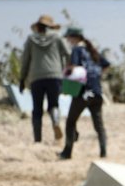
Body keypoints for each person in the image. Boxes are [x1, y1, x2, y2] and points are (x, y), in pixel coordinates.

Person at [58, 25, 110, 160]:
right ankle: (103, 152)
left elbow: (74, 68)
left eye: (69, 38)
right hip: (97, 92)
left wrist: (65, 75)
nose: (68, 41)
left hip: (83, 93)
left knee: (70, 122)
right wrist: (96, 76)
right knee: (98, 124)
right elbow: (106, 65)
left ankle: (67, 152)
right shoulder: (92, 50)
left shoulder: (76, 50)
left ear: (74, 38)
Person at [20, 14, 70, 143]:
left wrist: (22, 79)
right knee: (53, 104)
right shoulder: (57, 38)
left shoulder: (30, 39)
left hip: (36, 78)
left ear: (37, 27)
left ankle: (38, 139)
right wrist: (68, 71)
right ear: (51, 27)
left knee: (37, 108)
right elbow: (68, 54)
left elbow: (25, 60)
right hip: (55, 76)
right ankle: (56, 122)